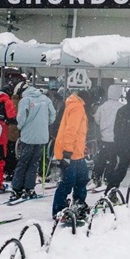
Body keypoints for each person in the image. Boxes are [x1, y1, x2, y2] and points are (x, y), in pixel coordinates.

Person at [9, 81, 55, 202]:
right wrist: (45, 124)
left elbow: (21, 119)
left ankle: (17, 188)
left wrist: (20, 127)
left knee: (23, 162)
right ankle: (29, 187)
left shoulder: (25, 100)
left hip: (28, 137)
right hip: (42, 137)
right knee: (34, 162)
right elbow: (53, 115)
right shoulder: (45, 99)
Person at [50, 90, 91, 220]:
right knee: (69, 181)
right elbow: (71, 131)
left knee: (81, 178)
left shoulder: (74, 105)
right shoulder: (77, 107)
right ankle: (59, 210)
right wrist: (67, 153)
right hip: (70, 153)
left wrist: (82, 147)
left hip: (77, 152)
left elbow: (78, 132)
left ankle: (78, 204)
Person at [91, 84, 125, 190]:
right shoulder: (121, 107)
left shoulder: (103, 106)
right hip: (115, 139)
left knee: (101, 159)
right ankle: (107, 178)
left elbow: (97, 119)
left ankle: (96, 177)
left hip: (104, 138)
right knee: (112, 160)